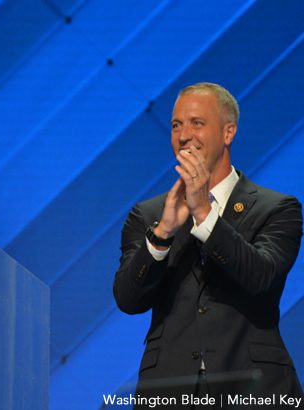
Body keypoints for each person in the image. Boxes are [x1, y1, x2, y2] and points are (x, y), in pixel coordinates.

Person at [113, 82, 303, 408]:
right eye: (176, 125)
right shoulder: (150, 215)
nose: (184, 135)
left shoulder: (277, 208)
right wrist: (162, 235)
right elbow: (128, 299)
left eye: (196, 123)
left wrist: (203, 211)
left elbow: (261, 277)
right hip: (170, 390)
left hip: (255, 388)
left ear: (228, 133)